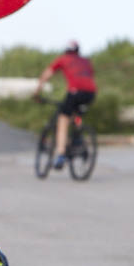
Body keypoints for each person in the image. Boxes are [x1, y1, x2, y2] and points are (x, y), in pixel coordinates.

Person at [35, 39, 97, 169]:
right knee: (75, 115)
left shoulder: (63, 59)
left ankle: (61, 154)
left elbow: (46, 75)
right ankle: (77, 138)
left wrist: (37, 92)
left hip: (75, 92)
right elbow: (89, 76)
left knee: (63, 120)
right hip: (91, 93)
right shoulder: (85, 61)